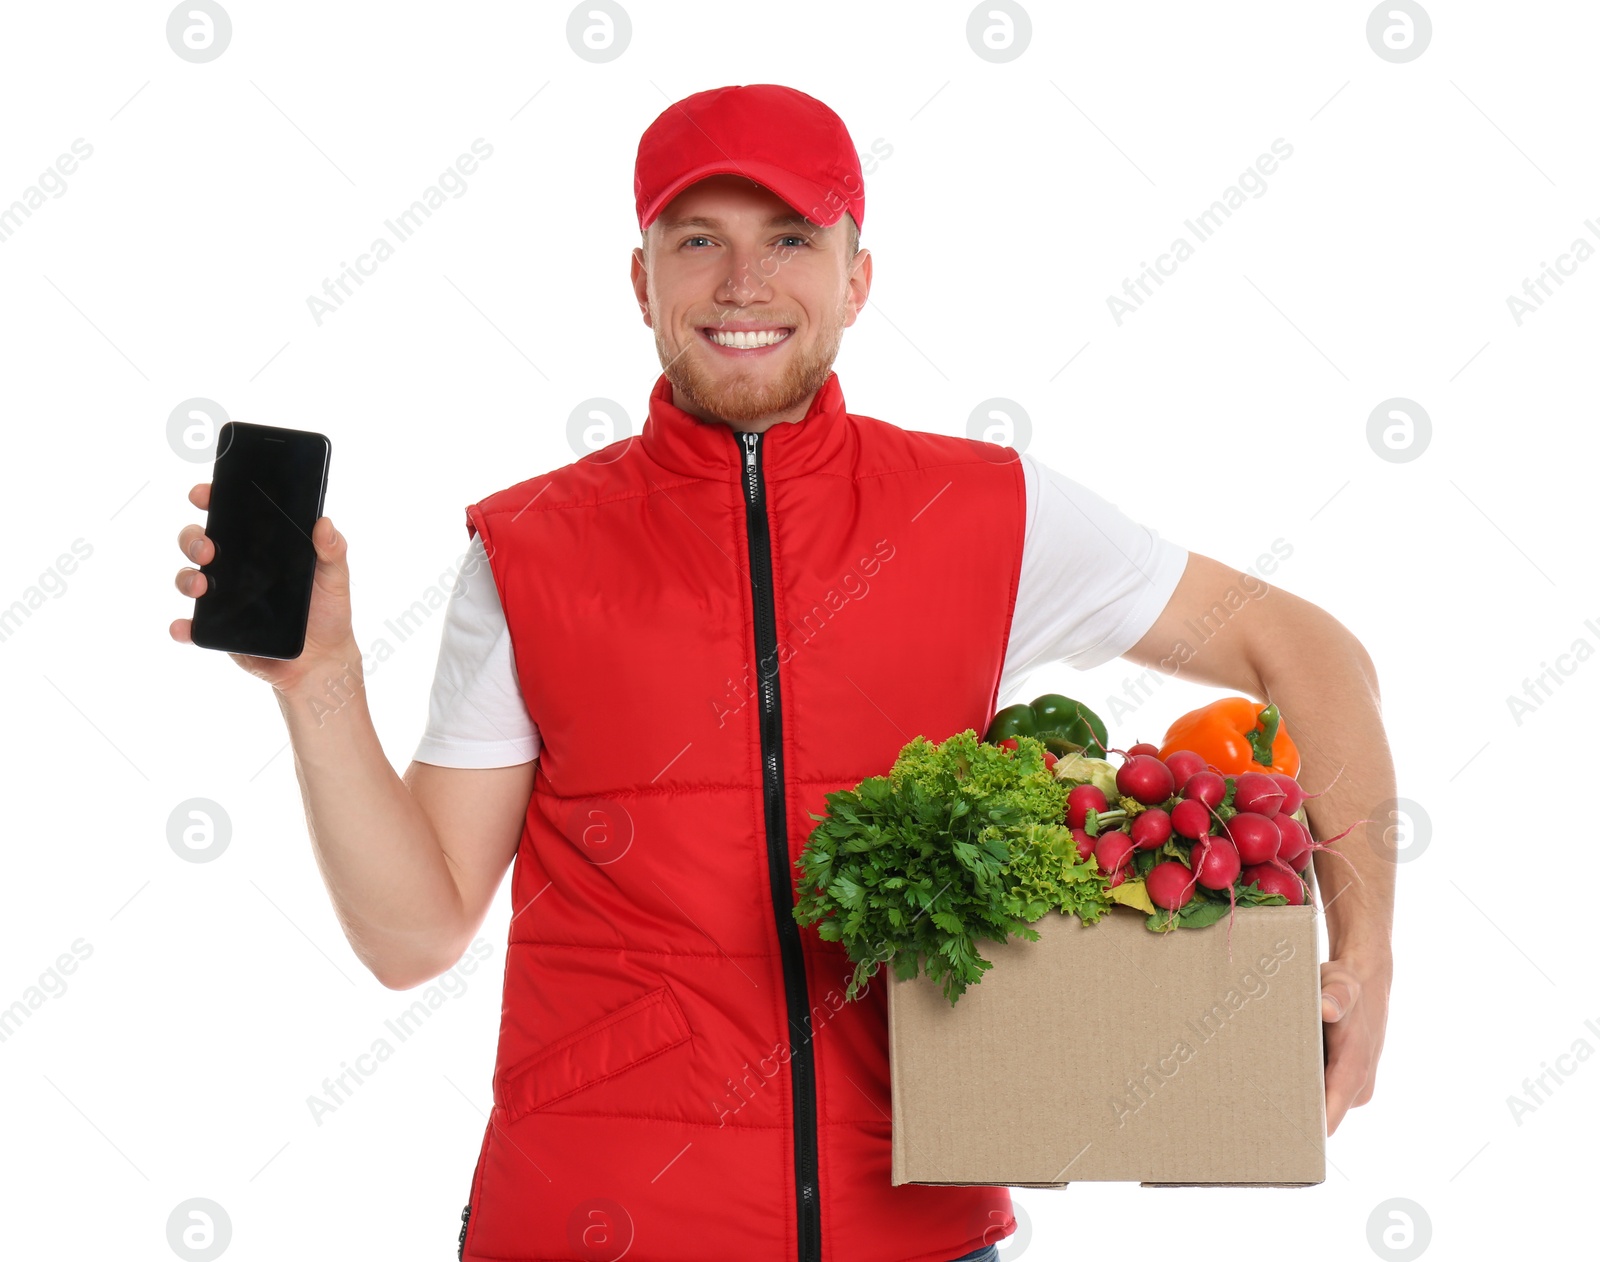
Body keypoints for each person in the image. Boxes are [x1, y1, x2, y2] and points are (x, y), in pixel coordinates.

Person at [171, 83, 1395, 1262]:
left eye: (791, 238)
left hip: (918, 1234)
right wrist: (316, 680)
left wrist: (1367, 951)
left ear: (857, 278)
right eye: (696, 237)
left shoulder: (985, 511)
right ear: (640, 278)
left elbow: (1304, 646)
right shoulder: (531, 551)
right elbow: (415, 931)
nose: (743, 284)